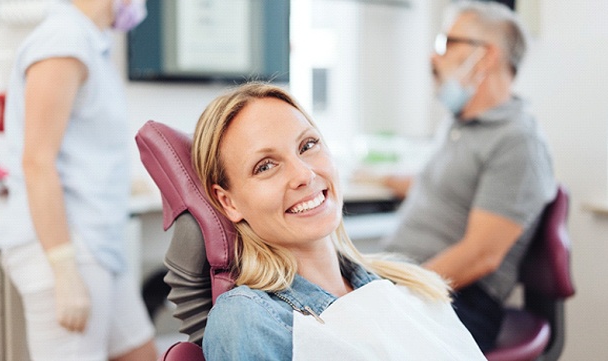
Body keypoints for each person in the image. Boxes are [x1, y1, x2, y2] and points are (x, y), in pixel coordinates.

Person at [189, 82, 487, 360]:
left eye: (307, 146)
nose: (304, 174)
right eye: (266, 166)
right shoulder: (249, 318)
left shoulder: (409, 284)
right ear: (228, 202)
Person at [379, 1, 556, 352]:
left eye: (446, 43)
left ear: (485, 56)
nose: (434, 57)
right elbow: (451, 188)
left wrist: (395, 293)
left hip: (458, 297)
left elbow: (480, 255)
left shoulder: (518, 141)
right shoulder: (459, 124)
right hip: (410, 278)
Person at [0, 0, 157, 359]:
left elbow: (81, 151)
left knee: (141, 353)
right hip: (65, 246)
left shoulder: (88, 43)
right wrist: (64, 270)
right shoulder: (63, 41)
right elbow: (37, 161)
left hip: (98, 242)